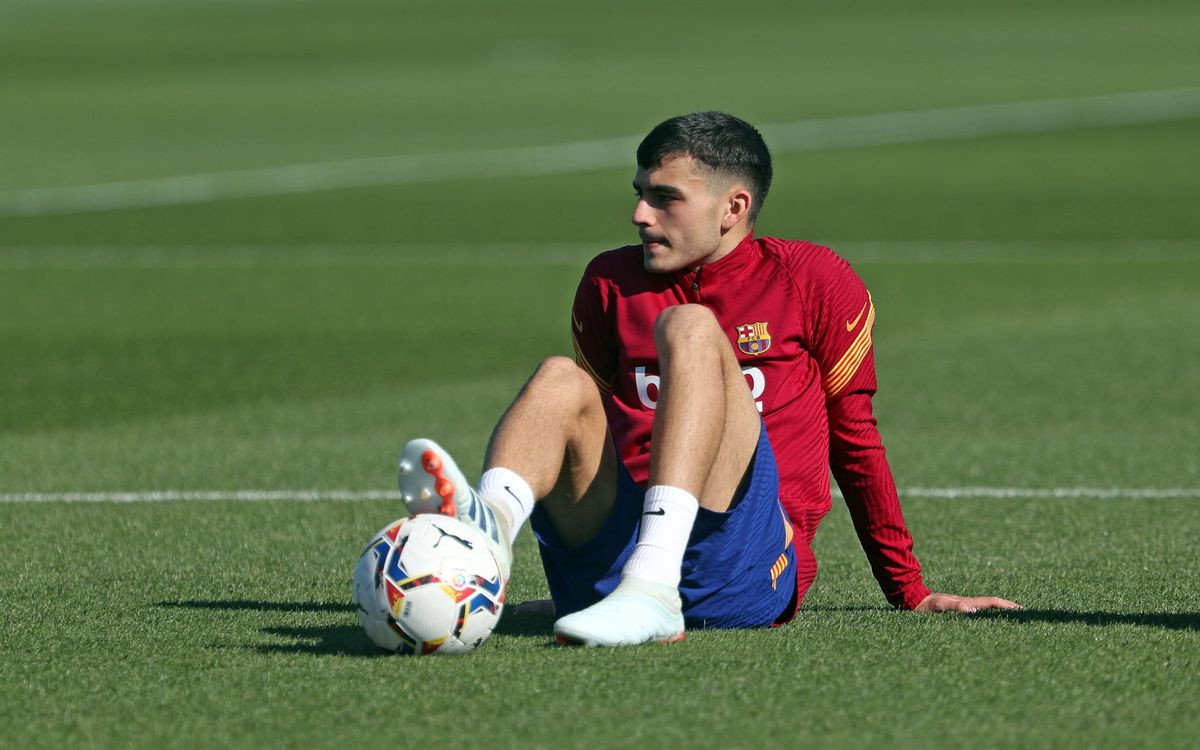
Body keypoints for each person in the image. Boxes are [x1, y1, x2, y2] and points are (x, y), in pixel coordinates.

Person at [397, 111, 1019, 647]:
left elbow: (854, 438)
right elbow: (585, 439)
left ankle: (653, 586)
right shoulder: (608, 281)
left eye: (665, 197)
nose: (639, 214)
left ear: (734, 208)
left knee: (690, 327)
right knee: (562, 380)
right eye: (639, 192)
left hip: (743, 570)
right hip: (609, 562)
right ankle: (483, 545)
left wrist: (910, 590)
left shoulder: (813, 278)